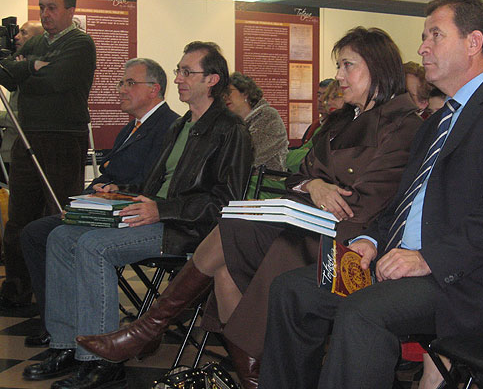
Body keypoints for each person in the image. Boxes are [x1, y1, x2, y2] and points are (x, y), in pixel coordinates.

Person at [75, 27, 424, 389]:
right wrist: (316, 185)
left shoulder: (401, 125)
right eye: (339, 65)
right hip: (305, 226)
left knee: (231, 232)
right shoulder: (340, 121)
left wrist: (313, 190)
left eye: (347, 65)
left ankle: (148, 328)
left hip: (346, 244)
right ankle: (250, 376)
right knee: (226, 263)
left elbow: (364, 205)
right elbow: (295, 176)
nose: (338, 76)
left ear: (378, 67)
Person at [257, 0, 483, 389]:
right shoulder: (434, 124)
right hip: (402, 267)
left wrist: (426, 258)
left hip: (462, 281)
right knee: (291, 290)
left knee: (363, 312)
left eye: (435, 35)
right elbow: (403, 203)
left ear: (473, 43)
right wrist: (369, 240)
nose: (421, 48)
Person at [21, 42, 253, 389]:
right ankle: (67, 343)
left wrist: (163, 209)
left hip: (186, 229)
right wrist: (120, 190)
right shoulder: (181, 126)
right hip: (152, 214)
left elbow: (226, 200)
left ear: (212, 80)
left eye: (187, 72)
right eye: (178, 70)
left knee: (93, 246)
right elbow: (154, 182)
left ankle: (102, 359)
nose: (178, 79)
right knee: (60, 236)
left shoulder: (230, 129)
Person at [20, 57, 180, 347]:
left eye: (130, 82)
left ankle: (72, 330)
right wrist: (94, 191)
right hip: (107, 207)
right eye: (121, 82)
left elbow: (154, 182)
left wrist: (116, 189)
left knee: (54, 236)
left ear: (154, 89)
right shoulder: (130, 128)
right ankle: (58, 325)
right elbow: (108, 172)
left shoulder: (169, 127)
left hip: (132, 213)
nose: (120, 89)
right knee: (36, 233)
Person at [0, 0, 96, 308]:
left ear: (70, 10)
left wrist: (26, 70)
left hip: (63, 139)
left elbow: (54, 82)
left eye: (51, 7)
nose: (45, 14)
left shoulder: (80, 44)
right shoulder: (38, 41)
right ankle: (16, 290)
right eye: (41, 7)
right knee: (18, 219)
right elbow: (8, 74)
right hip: (27, 137)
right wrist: (31, 67)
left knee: (58, 217)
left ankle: (56, 293)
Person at [0, 21, 44, 179]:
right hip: (11, 151)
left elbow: (29, 116)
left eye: (24, 33)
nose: (17, 37)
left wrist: (1, 117)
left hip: (26, 152)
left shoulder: (39, 71)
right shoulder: (18, 64)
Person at [224, 72, 288, 171]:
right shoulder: (230, 122)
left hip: (265, 180)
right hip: (239, 179)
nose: (225, 97)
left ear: (245, 93)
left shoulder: (267, 116)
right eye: (222, 94)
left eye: (228, 92)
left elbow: (252, 155)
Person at [300, 78, 333, 144]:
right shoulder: (315, 125)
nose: (320, 99)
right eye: (318, 95)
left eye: (326, 96)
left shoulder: (338, 127)